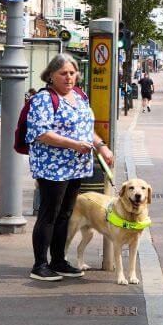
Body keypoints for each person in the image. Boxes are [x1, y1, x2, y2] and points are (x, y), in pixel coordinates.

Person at [25, 53, 113, 282]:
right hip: (52, 168)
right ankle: (40, 265)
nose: (69, 77)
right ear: (51, 75)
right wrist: (75, 144)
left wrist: (101, 147)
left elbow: (86, 129)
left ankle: (59, 261)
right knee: (49, 214)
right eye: (63, 73)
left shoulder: (80, 96)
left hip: (76, 166)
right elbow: (42, 133)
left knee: (65, 214)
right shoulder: (44, 99)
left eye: (72, 73)